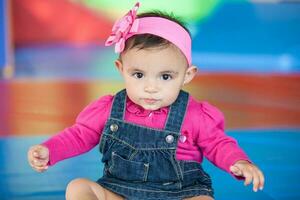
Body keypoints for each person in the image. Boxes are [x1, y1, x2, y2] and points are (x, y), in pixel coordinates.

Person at [27, 2, 264, 200]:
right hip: (120, 191)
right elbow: (79, 135)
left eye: (165, 76)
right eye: (138, 75)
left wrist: (238, 161)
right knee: (78, 187)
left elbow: (217, 144)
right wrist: (50, 150)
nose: (151, 87)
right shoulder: (109, 108)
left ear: (187, 75)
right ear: (121, 69)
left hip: (181, 193)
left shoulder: (196, 115)